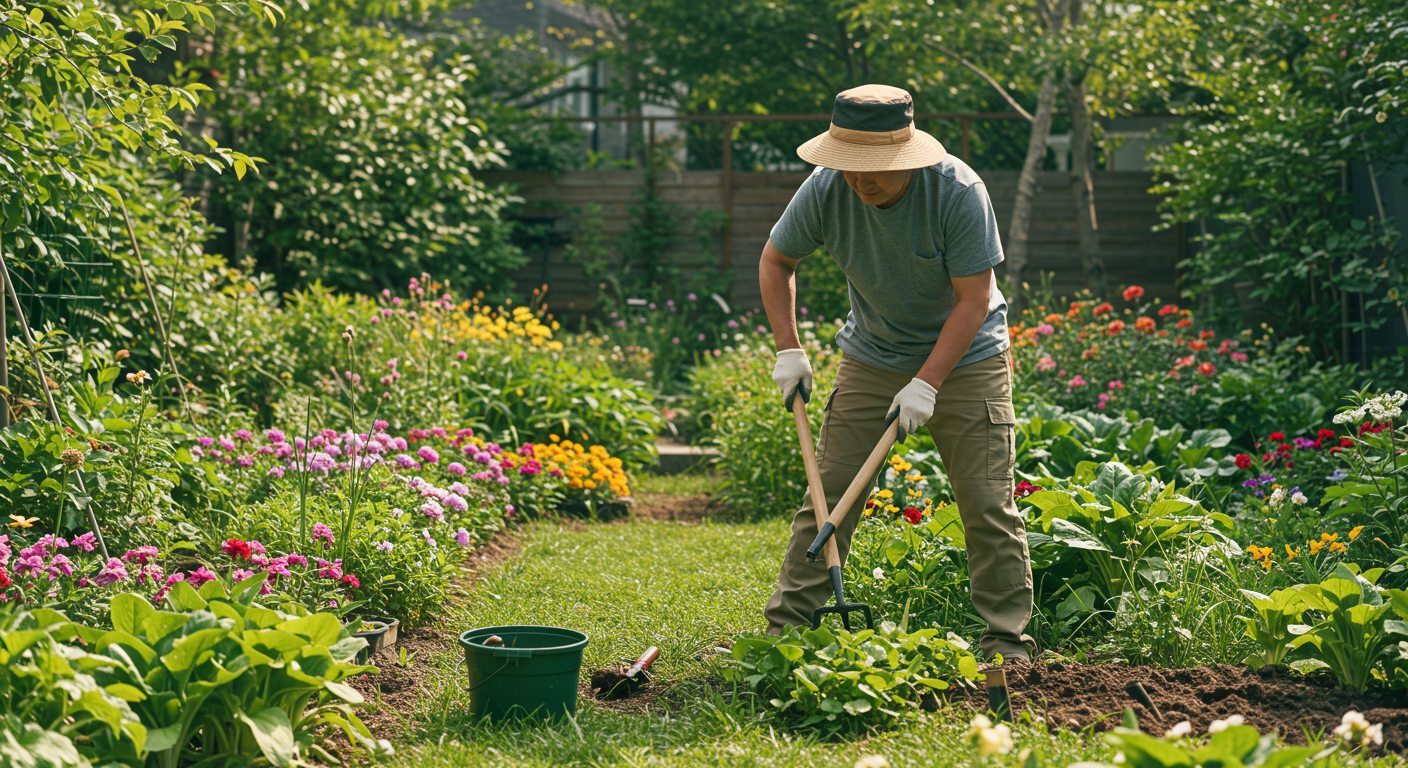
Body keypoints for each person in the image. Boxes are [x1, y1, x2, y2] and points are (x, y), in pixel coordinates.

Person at [759, 84, 1033, 661]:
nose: (860, 179)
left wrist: (928, 383)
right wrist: (789, 349)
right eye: (850, 165)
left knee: (986, 502)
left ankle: (1007, 642)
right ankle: (786, 637)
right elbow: (777, 259)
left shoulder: (957, 192)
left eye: (876, 167)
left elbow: (973, 301)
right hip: (873, 356)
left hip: (968, 359)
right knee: (828, 497)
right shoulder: (827, 189)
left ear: (907, 155)